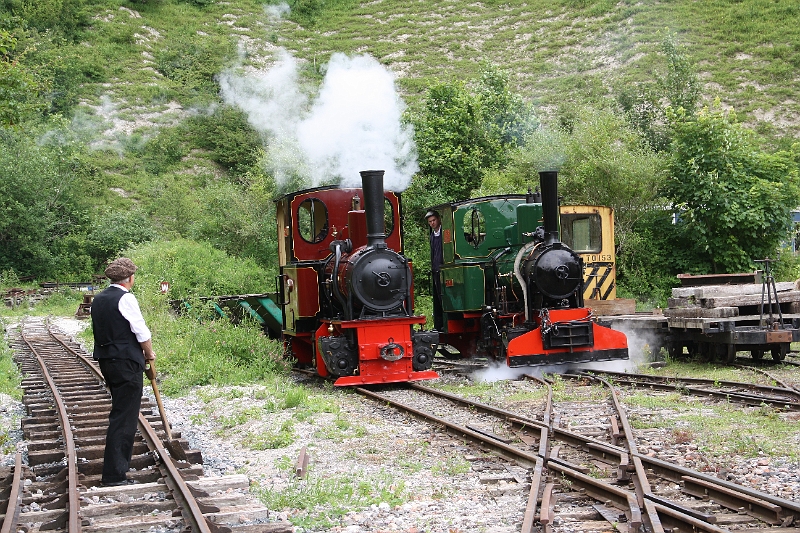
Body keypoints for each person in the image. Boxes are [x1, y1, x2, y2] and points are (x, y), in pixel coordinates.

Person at [91, 257, 155, 486]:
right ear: (129, 278)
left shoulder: (98, 300)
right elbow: (141, 332)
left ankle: (115, 470)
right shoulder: (126, 298)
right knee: (125, 416)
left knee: (120, 411)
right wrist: (149, 353)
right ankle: (114, 475)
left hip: (107, 362)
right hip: (127, 362)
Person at [425, 210, 444, 331]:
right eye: (430, 222)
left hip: (443, 269)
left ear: (438, 219)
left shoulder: (446, 233)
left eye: (433, 220)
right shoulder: (432, 235)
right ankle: (439, 324)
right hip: (436, 269)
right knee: (438, 297)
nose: (432, 223)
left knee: (443, 296)